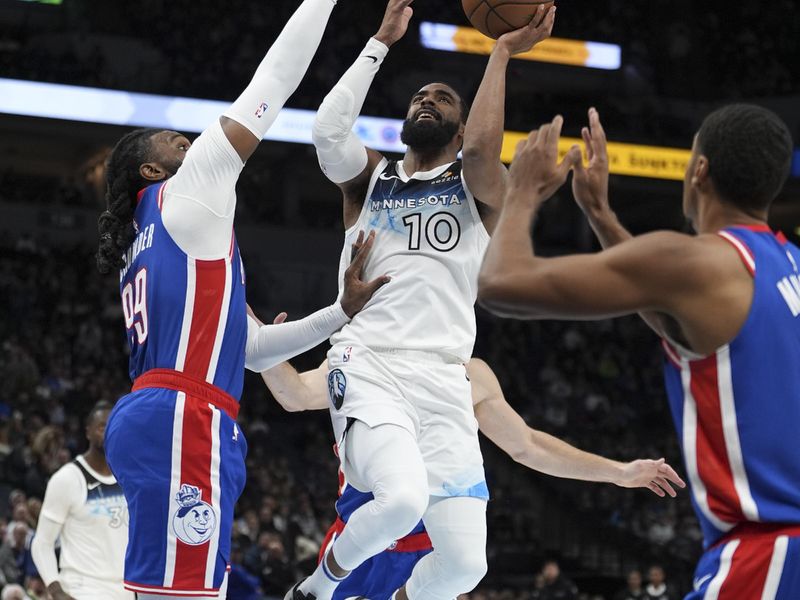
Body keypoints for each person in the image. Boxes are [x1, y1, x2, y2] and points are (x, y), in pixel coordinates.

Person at [95, 2, 389, 598]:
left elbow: (250, 349)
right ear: (152, 168)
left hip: (164, 411)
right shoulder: (186, 191)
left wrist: (339, 312)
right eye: (169, 139)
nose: (185, 137)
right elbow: (274, 80)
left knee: (170, 588)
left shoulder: (151, 240)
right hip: (184, 416)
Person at [290, 1, 558, 599]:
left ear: (461, 130)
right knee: (401, 499)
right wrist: (380, 42)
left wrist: (500, 54)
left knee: (466, 566)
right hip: (369, 360)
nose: (426, 101)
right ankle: (316, 588)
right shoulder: (371, 181)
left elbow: (488, 154)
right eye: (419, 98)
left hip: (444, 377)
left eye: (442, 100)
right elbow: (327, 132)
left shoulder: (480, 191)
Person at [477, 103, 799, 599]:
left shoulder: (697, 261)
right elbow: (672, 308)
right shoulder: (786, 262)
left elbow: (500, 285)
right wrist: (602, 216)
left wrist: (521, 191)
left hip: (770, 555)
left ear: (699, 171)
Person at [256, 354, 684, 600]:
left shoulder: (468, 373)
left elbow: (527, 445)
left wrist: (618, 472)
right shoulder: (359, 357)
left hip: (427, 558)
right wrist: (263, 343)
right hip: (361, 544)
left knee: (464, 565)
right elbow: (293, 394)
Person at [30, 402, 131, 600]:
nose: (109, 431)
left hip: (125, 589)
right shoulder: (68, 478)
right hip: (84, 588)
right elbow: (42, 542)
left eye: (114, 425)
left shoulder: (129, 477)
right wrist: (56, 590)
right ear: (88, 432)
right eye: (102, 426)